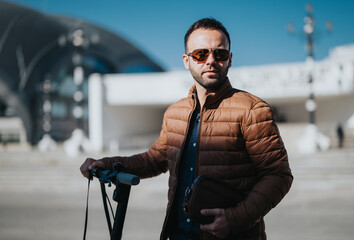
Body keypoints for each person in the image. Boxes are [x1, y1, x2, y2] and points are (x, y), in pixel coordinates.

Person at [80, 18, 293, 240]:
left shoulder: (252, 110)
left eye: (219, 54)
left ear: (229, 59)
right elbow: (154, 159)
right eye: (201, 54)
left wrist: (236, 218)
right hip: (177, 234)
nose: (211, 60)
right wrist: (106, 163)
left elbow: (278, 175)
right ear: (186, 60)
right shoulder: (175, 112)